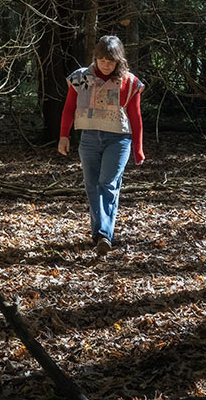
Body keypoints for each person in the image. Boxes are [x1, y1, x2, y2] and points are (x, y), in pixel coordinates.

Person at [57, 35, 144, 258]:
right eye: (102, 60)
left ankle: (105, 233)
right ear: (96, 58)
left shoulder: (129, 82)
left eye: (110, 61)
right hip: (89, 138)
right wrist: (64, 136)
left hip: (118, 140)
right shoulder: (80, 77)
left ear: (118, 61)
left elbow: (135, 116)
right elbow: (69, 108)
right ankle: (99, 235)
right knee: (92, 186)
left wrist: (138, 148)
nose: (106, 65)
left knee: (108, 184)